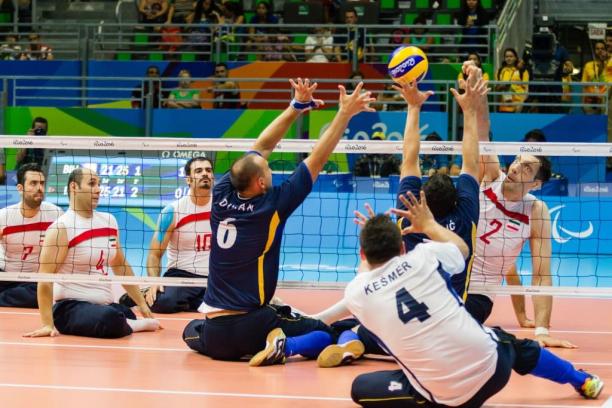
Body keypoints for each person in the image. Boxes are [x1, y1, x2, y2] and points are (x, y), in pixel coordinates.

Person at [182, 78, 376, 364]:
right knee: (323, 334)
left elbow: (261, 145)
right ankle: (283, 345)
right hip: (253, 323)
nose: (270, 167)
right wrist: (344, 114)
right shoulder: (273, 204)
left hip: (214, 330)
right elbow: (318, 158)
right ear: (260, 182)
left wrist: (296, 107)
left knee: (189, 331)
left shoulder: (223, 190)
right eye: (269, 169)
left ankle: (262, 340)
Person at [346, 196, 604, 407]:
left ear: (362, 253)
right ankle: (581, 379)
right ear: (402, 248)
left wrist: (370, 236)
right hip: (494, 370)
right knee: (510, 342)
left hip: (445, 399)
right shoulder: (425, 256)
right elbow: (462, 250)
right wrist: (430, 226)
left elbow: (366, 272)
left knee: (360, 388)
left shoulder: (356, 293)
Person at [314, 66, 487, 365]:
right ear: (457, 199)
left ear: (421, 200)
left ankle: (342, 340)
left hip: (394, 325)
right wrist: (469, 113)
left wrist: (412, 106)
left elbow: (409, 157)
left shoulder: (408, 213)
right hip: (445, 329)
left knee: (346, 326)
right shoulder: (464, 216)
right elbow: (471, 163)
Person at [465, 76, 576, 348]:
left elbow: (541, 273)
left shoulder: (536, 212)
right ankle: (350, 335)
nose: (516, 168)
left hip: (479, 293)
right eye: (517, 160)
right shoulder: (491, 176)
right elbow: (483, 131)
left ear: (536, 184)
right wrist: (479, 93)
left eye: (526, 168)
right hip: (449, 275)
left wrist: (540, 329)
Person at [24, 168, 160, 338]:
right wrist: (47, 324)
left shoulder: (109, 221)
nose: (98, 189)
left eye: (99, 184)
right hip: (71, 308)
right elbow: (45, 279)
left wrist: (142, 304)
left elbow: (120, 265)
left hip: (105, 304)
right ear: (74, 187)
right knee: (110, 318)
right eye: (92, 184)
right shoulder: (61, 228)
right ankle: (129, 323)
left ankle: (128, 321)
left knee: (121, 313)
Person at [120, 157, 213, 313]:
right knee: (163, 303)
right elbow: (155, 254)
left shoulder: (223, 208)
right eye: (199, 171)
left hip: (214, 277)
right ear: (188, 180)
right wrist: (154, 282)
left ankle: (195, 302)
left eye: (208, 170)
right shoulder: (172, 211)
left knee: (234, 304)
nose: (205, 174)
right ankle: (140, 294)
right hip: (182, 275)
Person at [0, 164, 63, 308]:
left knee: (43, 294)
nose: (39, 188)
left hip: (36, 279)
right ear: (20, 188)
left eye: (41, 183)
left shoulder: (56, 214)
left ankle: (10, 296)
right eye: (33, 183)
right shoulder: (4, 216)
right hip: (6, 275)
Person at [496, 48, 529, 113]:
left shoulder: (522, 71)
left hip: (519, 107)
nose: (508, 58)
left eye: (511, 56)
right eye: (506, 56)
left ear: (516, 58)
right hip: (504, 107)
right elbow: (497, 88)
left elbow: (526, 90)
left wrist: (521, 104)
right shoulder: (499, 71)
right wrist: (502, 87)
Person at [581, 41, 610, 115]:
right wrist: (583, 101)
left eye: (602, 48)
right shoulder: (588, 65)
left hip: (605, 101)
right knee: (590, 125)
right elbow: (583, 84)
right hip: (590, 101)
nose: (600, 50)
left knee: (604, 125)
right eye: (597, 48)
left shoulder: (609, 65)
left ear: (606, 51)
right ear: (594, 51)